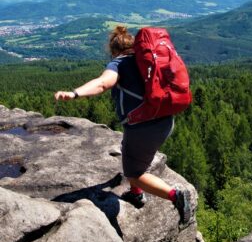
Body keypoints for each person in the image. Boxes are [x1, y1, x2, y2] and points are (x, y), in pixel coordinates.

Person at [54, 25, 191, 223]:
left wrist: (75, 93)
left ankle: (175, 196)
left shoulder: (119, 64)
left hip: (143, 127)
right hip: (165, 120)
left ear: (114, 50)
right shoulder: (147, 62)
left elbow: (102, 83)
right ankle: (135, 193)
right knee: (129, 150)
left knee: (135, 174)